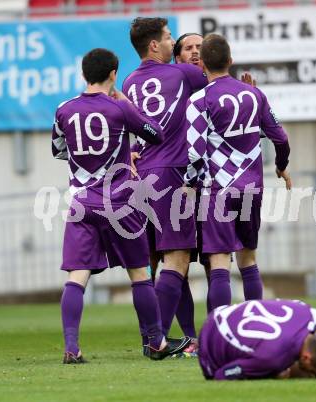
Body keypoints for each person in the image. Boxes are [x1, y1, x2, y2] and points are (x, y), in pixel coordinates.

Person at [52, 48, 190, 363]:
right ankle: (156, 342)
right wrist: (127, 107)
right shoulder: (118, 109)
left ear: (84, 74)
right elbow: (155, 134)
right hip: (119, 201)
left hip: (82, 201)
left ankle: (72, 348)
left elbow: (59, 149)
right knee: (139, 273)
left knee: (77, 276)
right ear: (114, 74)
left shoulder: (64, 110)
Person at [184, 34, 291, 311]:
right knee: (249, 259)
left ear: (203, 64)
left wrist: (189, 184)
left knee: (219, 262)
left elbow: (195, 152)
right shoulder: (254, 94)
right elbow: (280, 138)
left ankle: (220, 330)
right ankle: (255, 324)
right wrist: (281, 165)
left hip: (218, 189)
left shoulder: (199, 100)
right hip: (251, 187)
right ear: (231, 61)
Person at [122, 18, 209, 345]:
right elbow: (215, 75)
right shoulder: (182, 74)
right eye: (171, 38)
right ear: (155, 45)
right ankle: (155, 338)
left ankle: (170, 336)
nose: (175, 43)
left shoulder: (129, 82)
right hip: (172, 172)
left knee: (159, 260)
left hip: (142, 175)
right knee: (179, 257)